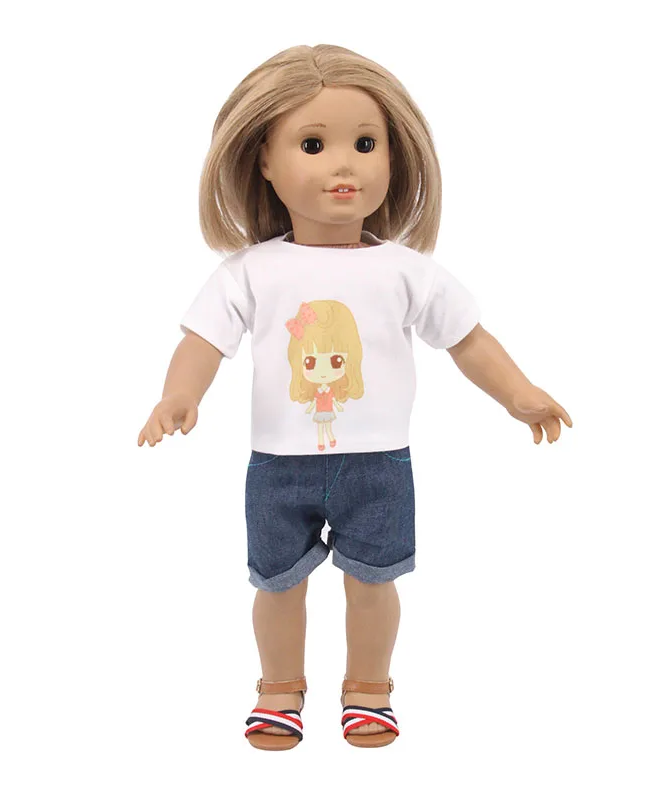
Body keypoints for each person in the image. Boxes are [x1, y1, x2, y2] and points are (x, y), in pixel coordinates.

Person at [138, 44, 572, 750]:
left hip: (379, 464)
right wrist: (179, 394)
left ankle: (369, 687)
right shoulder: (250, 271)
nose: (344, 165)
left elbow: (468, 340)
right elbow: (203, 341)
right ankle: (279, 687)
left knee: (374, 583)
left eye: (366, 144)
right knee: (276, 583)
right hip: (278, 464)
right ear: (264, 161)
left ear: (395, 157)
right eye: (313, 145)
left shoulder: (407, 271)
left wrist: (517, 393)